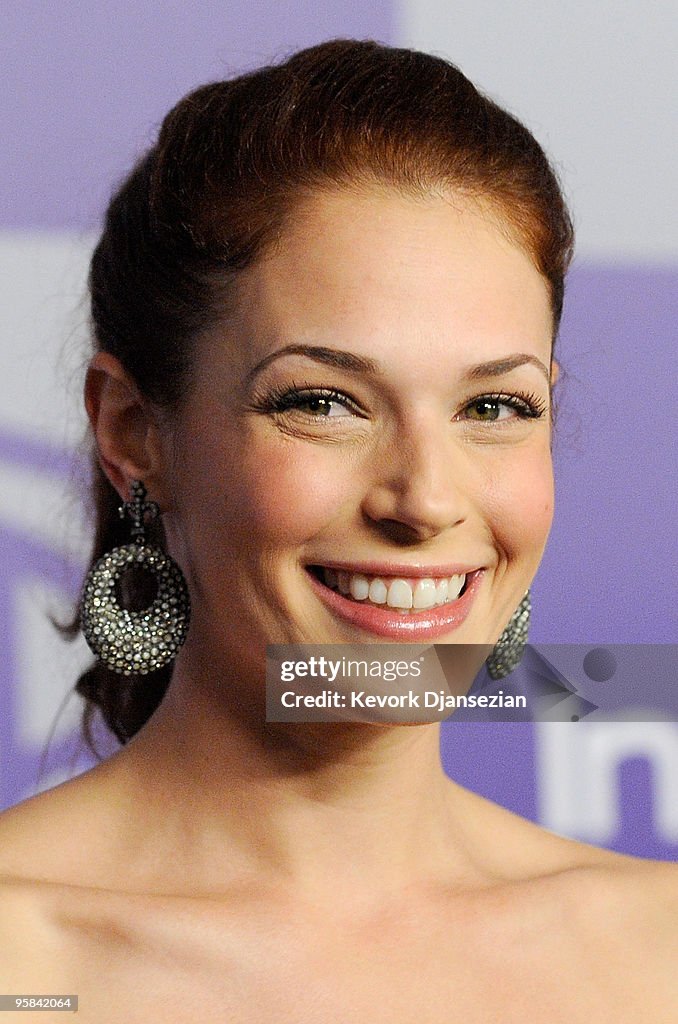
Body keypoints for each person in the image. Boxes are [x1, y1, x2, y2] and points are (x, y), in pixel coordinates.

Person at [0, 38, 675, 1020]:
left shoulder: (655, 952)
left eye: (494, 408)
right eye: (323, 401)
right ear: (134, 430)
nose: (426, 499)